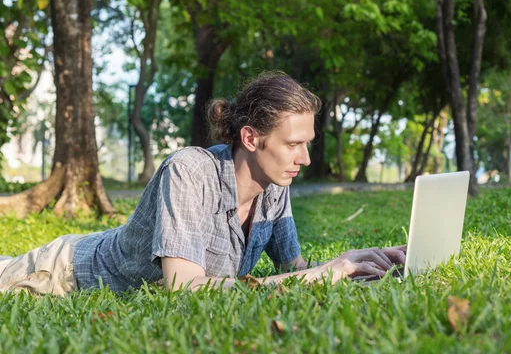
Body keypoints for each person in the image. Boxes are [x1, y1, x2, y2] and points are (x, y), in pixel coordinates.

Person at [0, 71, 406, 296]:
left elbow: (293, 270)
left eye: (308, 144)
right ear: (250, 138)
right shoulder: (189, 171)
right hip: (62, 271)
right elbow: (183, 288)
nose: (305, 158)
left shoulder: (275, 187)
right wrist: (325, 274)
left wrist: (357, 262)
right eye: (294, 144)